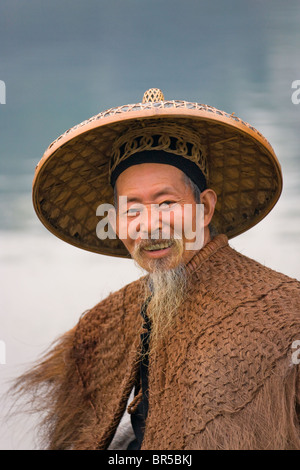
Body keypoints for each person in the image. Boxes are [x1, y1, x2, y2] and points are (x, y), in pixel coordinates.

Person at [13, 88, 300, 450]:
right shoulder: (107, 321)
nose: (149, 225)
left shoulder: (287, 312)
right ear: (116, 222)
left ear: (205, 208)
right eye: (132, 209)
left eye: (166, 203)